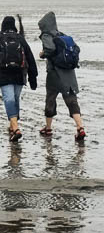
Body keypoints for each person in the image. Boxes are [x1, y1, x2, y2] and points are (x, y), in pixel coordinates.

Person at [0, 16, 38, 142]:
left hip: (3, 74)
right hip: (19, 74)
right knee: (14, 99)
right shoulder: (20, 39)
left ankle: (15, 129)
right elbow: (30, 58)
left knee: (9, 99)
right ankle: (14, 126)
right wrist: (33, 78)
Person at [38, 11, 86, 142]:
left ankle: (48, 128)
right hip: (69, 73)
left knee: (50, 99)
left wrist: (42, 54)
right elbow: (77, 48)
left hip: (54, 73)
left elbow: (50, 49)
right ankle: (80, 128)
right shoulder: (62, 35)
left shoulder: (47, 35)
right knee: (71, 100)